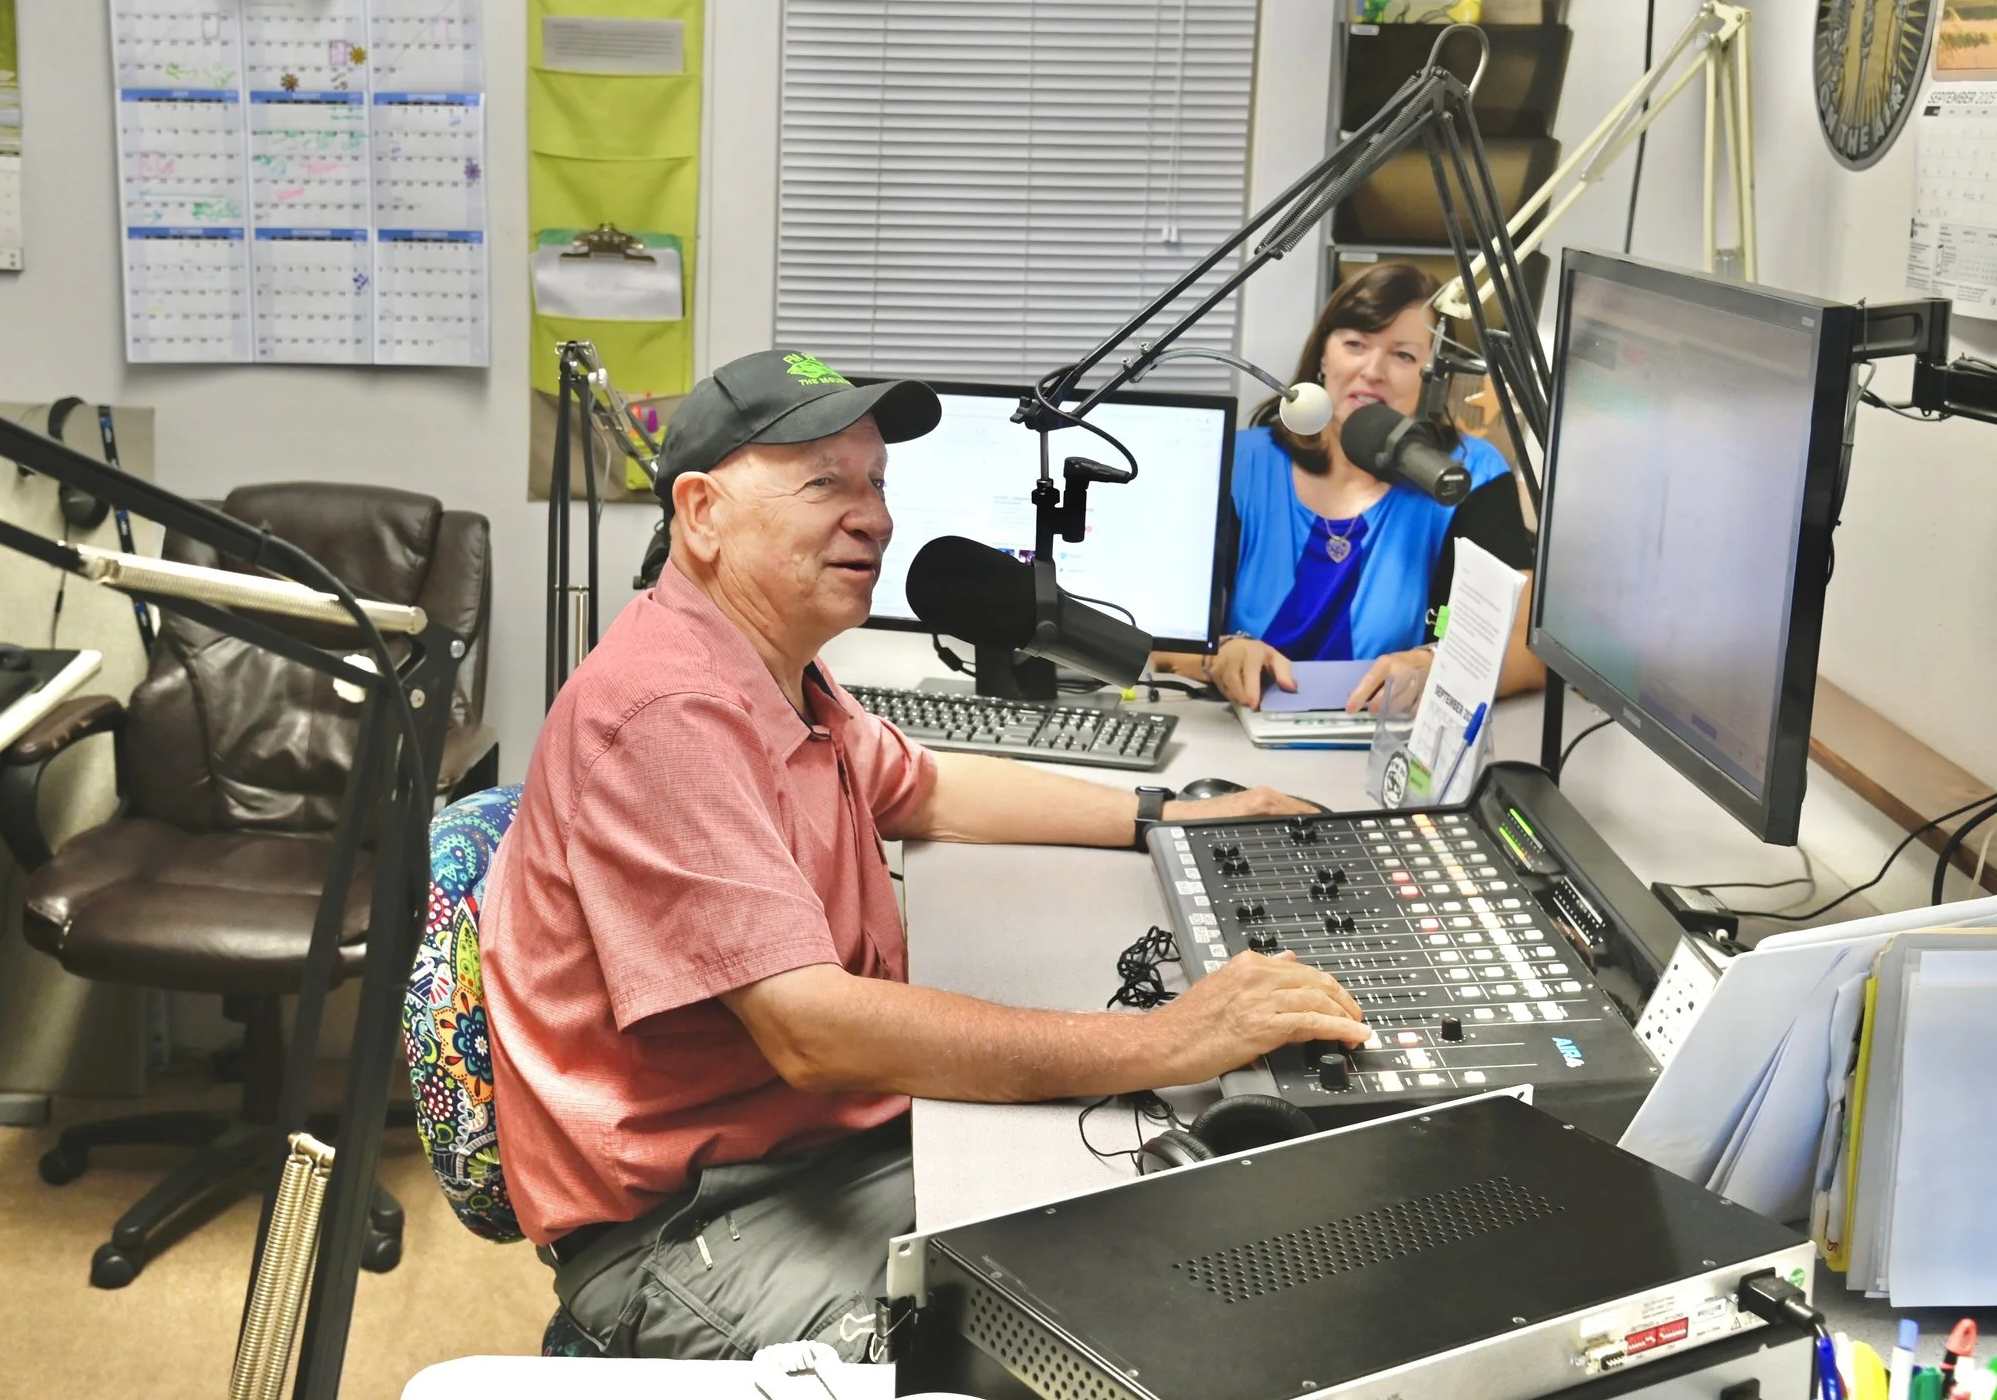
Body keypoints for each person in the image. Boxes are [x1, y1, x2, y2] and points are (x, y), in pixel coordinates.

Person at [479, 349, 1367, 1363]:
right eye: (825, 483)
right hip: (688, 1229)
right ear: (701, 512)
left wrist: (1166, 813)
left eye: (878, 482)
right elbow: (813, 1030)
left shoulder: (771, 666)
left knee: (1141, 1210)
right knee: (1083, 1345)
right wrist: (1165, 1039)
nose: (874, 517)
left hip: (810, 1146)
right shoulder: (666, 711)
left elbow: (927, 786)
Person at [1159, 262, 1543, 712]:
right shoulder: (1238, 461)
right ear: (1323, 355)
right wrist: (1221, 653)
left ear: (1435, 377)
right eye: (1355, 344)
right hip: (1236, 727)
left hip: (1387, 732)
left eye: (1403, 356)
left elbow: (1525, 654)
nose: (1372, 370)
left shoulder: (1467, 472)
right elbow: (1155, 633)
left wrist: (1434, 664)